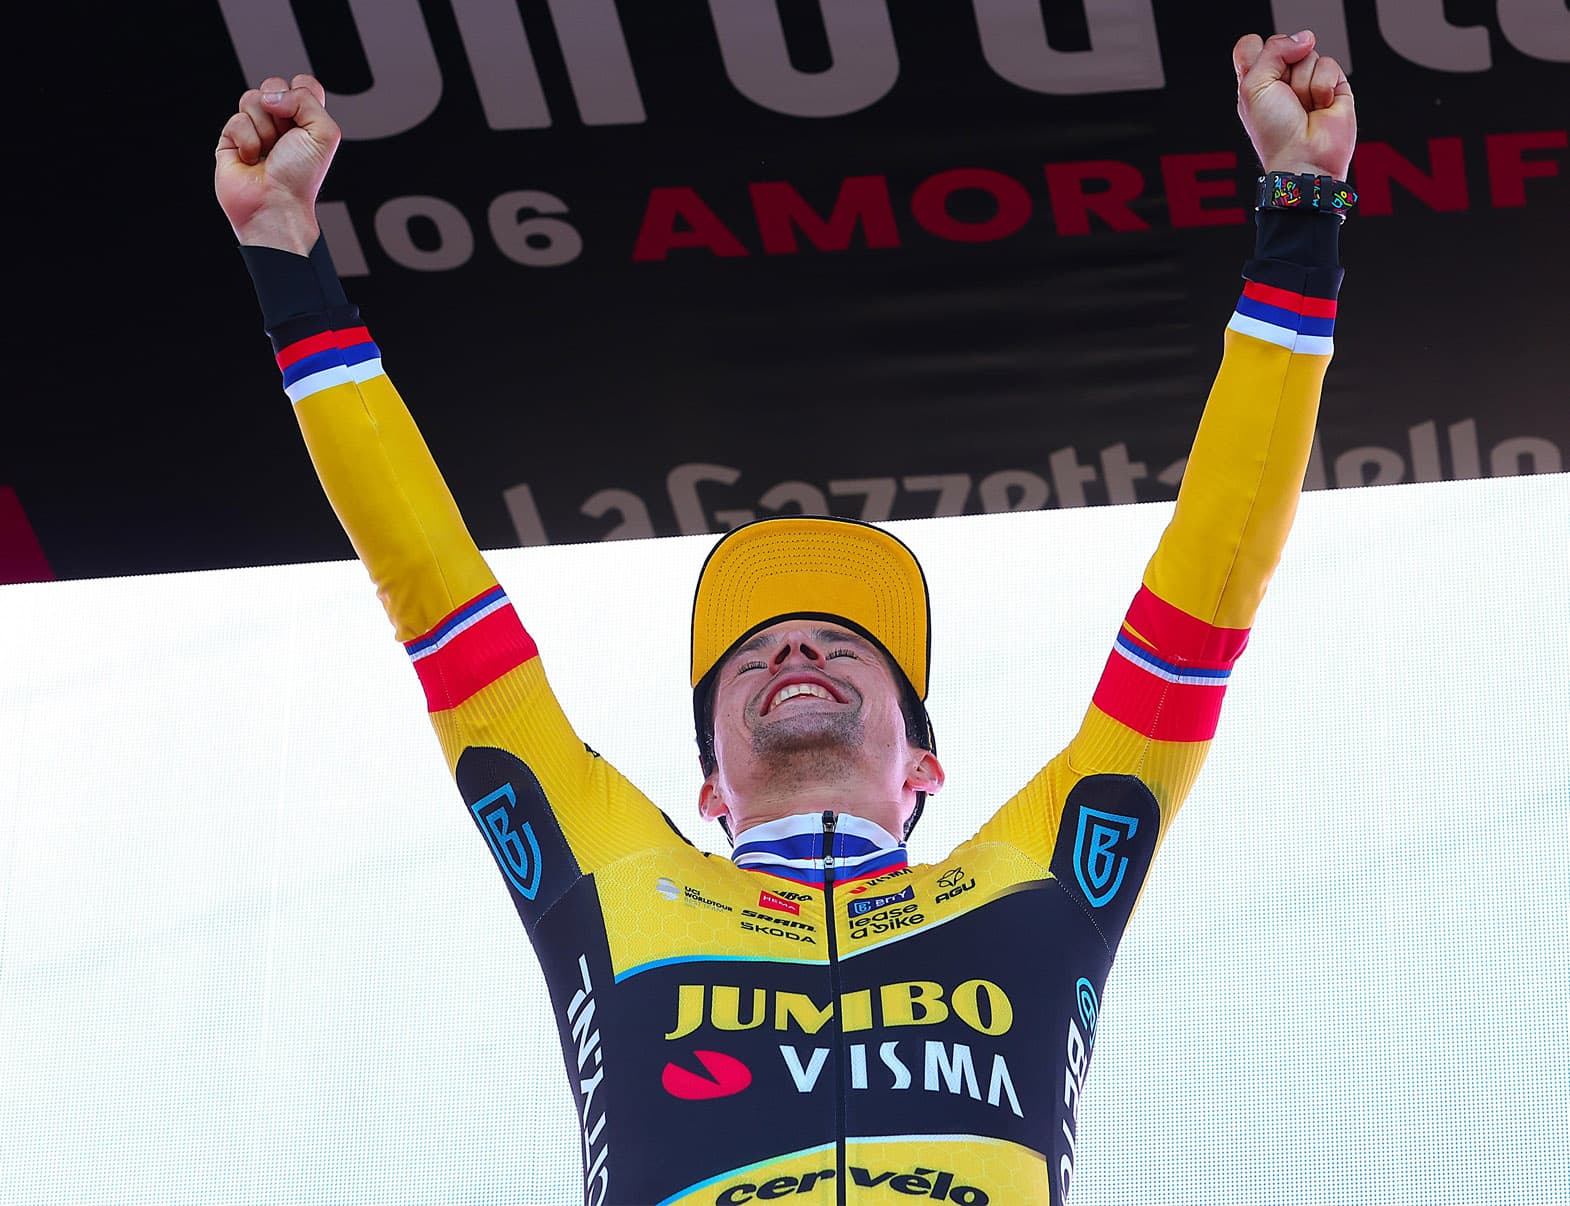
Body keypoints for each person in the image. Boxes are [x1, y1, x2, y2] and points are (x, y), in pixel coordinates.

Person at [215, 28, 1355, 1206]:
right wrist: (283, 256)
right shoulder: (612, 869)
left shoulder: (1033, 873)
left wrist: (1302, 204)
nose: (794, 653)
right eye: (752, 656)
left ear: (924, 762)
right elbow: (437, 592)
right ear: (708, 787)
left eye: (838, 646)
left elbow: (1207, 591)